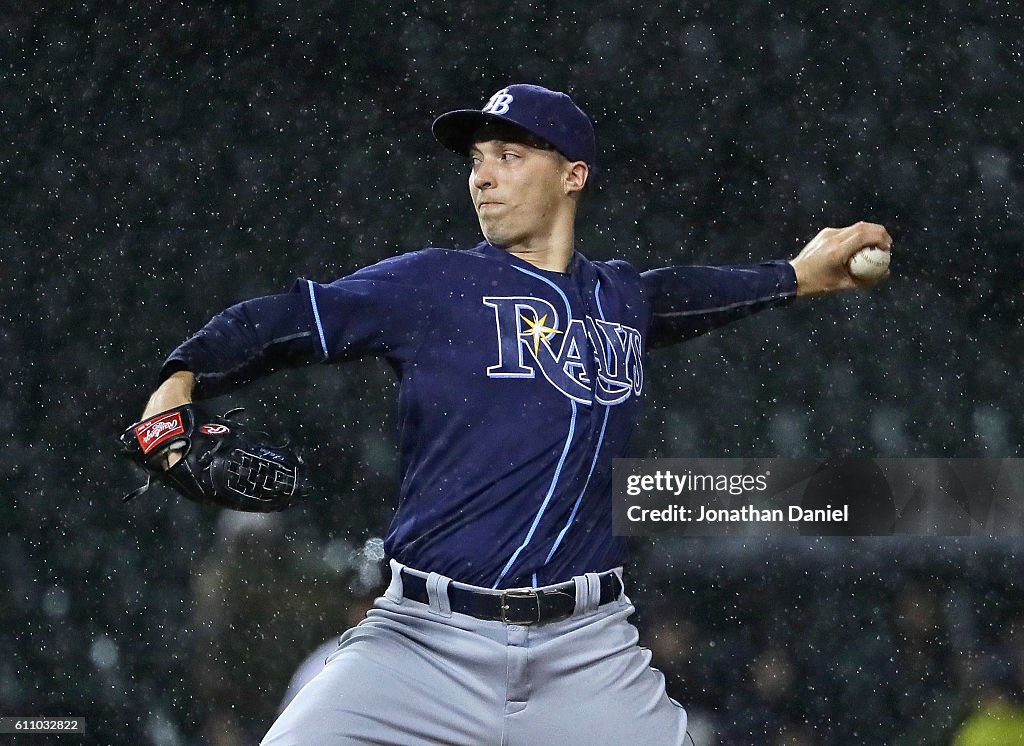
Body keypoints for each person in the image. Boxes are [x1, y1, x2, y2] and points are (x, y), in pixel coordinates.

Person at [138, 84, 892, 745]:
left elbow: (686, 295)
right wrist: (179, 380)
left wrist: (795, 277)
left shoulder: (619, 299)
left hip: (587, 653)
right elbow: (291, 317)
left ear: (573, 174)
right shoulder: (434, 285)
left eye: (508, 155)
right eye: (476, 160)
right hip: (421, 640)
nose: (483, 176)